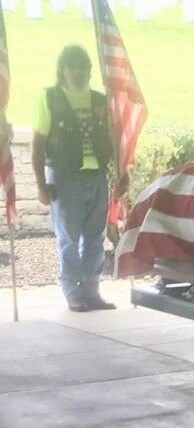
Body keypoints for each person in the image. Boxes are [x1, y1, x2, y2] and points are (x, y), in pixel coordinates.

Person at [31, 45, 121, 312]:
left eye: (83, 67)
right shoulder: (50, 98)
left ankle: (91, 290)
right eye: (72, 67)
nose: (78, 72)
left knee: (95, 235)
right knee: (69, 236)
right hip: (64, 176)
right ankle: (72, 291)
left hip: (96, 174)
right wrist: (40, 185)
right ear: (63, 71)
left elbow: (113, 139)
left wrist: (121, 171)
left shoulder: (99, 100)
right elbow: (37, 145)